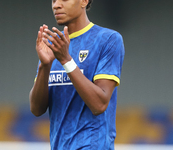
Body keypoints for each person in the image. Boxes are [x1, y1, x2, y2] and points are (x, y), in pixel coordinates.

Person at [29, 0, 125, 149]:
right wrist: (45, 66)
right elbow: (36, 109)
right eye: (54, 0)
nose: (56, 5)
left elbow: (99, 105)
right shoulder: (53, 45)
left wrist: (66, 60)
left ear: (84, 1)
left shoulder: (108, 40)